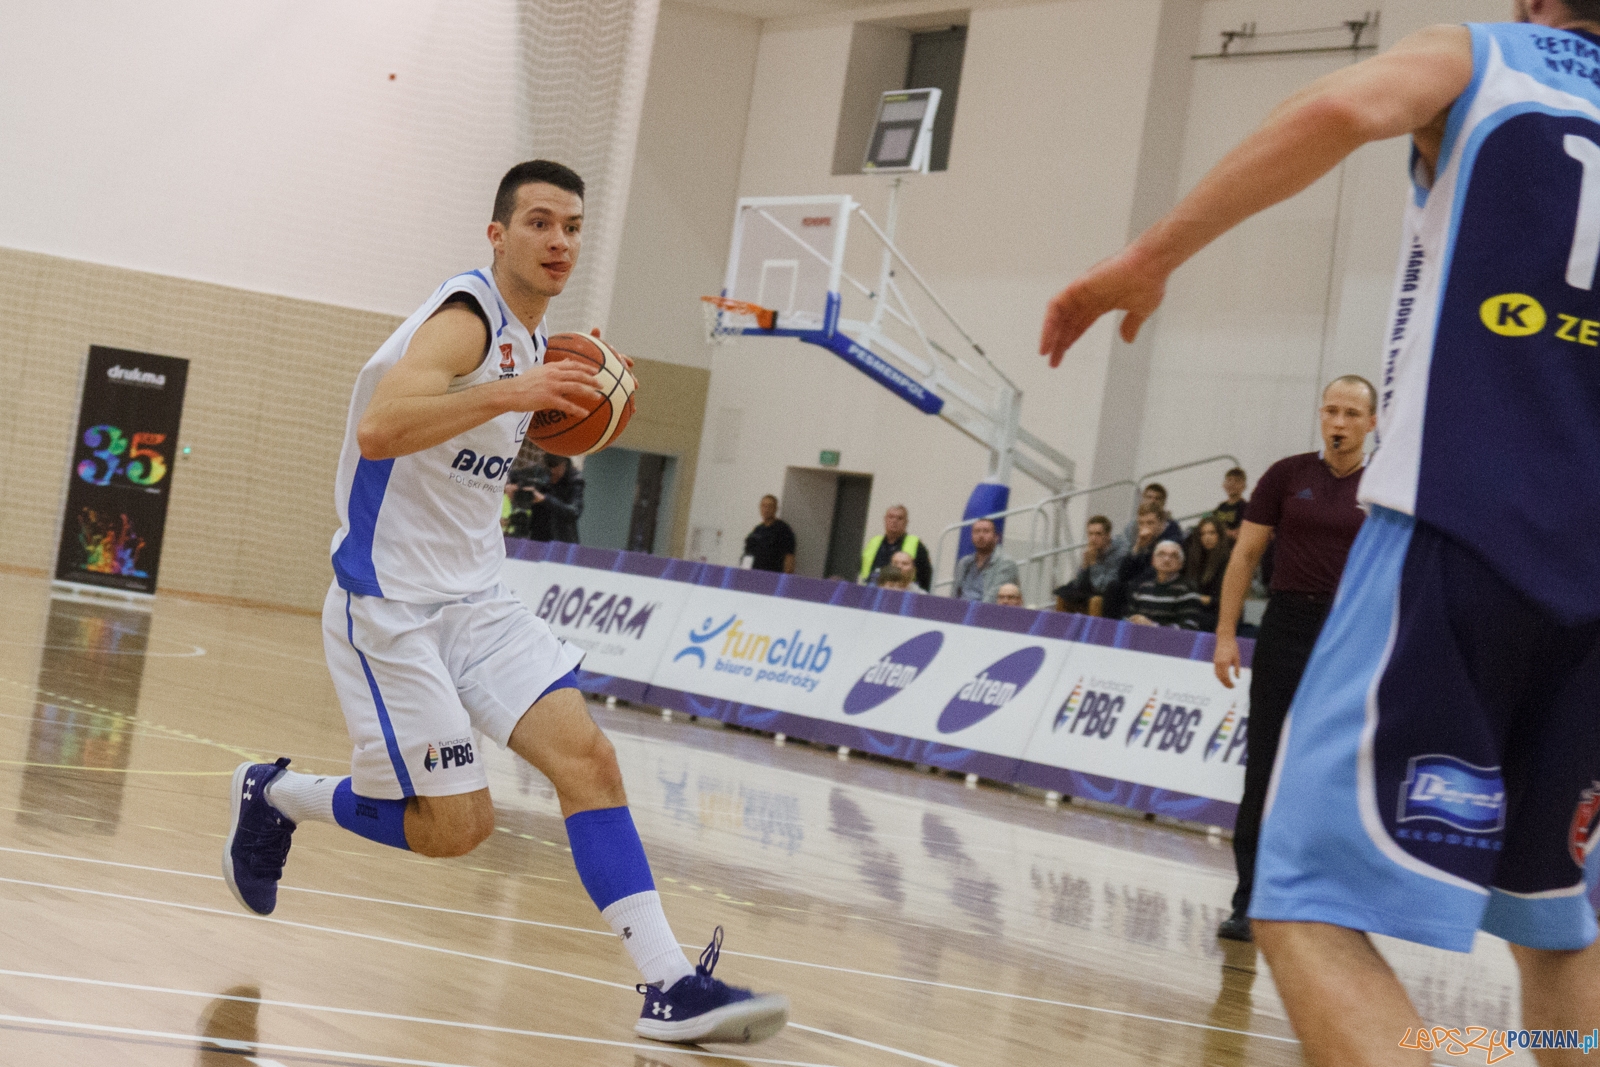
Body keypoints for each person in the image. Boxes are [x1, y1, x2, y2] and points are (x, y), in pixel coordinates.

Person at [1040, 6, 1600, 1061]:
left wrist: (1152, 255)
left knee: (1293, 893)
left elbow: (1342, 103)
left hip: (1456, 531)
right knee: (1557, 915)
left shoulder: (1485, 57)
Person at [221, 160, 787, 1045]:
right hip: (392, 606)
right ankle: (279, 794)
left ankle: (670, 983)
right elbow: (381, 427)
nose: (558, 240)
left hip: (478, 599)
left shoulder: (534, 334)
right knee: (457, 826)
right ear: (497, 235)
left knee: (590, 761)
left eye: (571, 226)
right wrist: (514, 391)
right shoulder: (465, 318)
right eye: (538, 223)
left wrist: (564, 386)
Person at [1210, 376, 1376, 943]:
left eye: (1352, 413)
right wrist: (1226, 633)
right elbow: (1246, 554)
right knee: (1263, 768)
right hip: (1285, 627)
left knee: (1336, 774)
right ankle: (1247, 901)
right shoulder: (1287, 475)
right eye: (1331, 410)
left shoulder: (1386, 484)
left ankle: (1324, 904)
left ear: (1371, 423)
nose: (1339, 422)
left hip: (1350, 636)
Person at [1105, 501, 1167, 618]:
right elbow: (1122, 575)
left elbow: (1154, 573)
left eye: (1150, 523)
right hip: (1137, 587)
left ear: (1161, 524)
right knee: (1113, 587)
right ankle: (1109, 631)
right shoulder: (1141, 543)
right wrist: (1137, 548)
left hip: (1158, 587)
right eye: (1141, 523)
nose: (1145, 527)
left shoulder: (1168, 543)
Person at [1053, 515, 1126, 613]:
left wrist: (1093, 564)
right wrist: (1084, 565)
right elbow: (1077, 584)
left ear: (1108, 535)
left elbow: (1103, 587)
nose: (1093, 538)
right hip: (1090, 591)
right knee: (1063, 595)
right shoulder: (1091, 552)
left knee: (1095, 601)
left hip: (1109, 597)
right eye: (1090, 534)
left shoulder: (1119, 554)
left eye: (1098, 534)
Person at [1125, 541, 1203, 629]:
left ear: (1181, 564)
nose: (1166, 559)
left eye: (1173, 556)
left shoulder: (1188, 590)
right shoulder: (1142, 587)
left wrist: (1154, 627)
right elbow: (1127, 618)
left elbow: (1190, 627)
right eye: (1161, 554)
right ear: (1153, 561)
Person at [860, 504, 932, 591]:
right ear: (885, 519)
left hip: (902, 594)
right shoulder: (874, 542)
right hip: (870, 591)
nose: (894, 521)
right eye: (891, 517)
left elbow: (925, 577)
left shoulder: (916, 545)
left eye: (899, 518)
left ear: (906, 522)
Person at [951, 517, 1020, 602]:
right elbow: (954, 594)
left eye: (986, 531)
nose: (981, 536)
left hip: (985, 612)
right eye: (977, 531)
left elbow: (993, 599)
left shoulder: (1006, 563)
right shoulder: (964, 562)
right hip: (960, 610)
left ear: (996, 537)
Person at [1183, 515, 1232, 632]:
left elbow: (1225, 601)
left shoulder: (1228, 561)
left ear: (1220, 535)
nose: (1207, 537)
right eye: (1203, 534)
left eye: (1211, 533)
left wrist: (1203, 599)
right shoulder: (1195, 558)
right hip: (1196, 608)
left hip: (1218, 614)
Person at [523, 452, 584, 543]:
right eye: (549, 466)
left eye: (556, 466)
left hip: (562, 541)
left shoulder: (575, 481)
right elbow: (515, 476)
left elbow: (574, 511)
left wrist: (545, 499)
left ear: (565, 464)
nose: (553, 471)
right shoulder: (541, 476)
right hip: (537, 539)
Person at [1114, 484, 1182, 554]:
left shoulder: (1172, 527)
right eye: (1149, 497)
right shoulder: (1132, 526)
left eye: (1157, 498)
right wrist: (1138, 546)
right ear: (1142, 499)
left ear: (1163, 502)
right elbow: (1124, 554)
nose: (1153, 501)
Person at [742, 494, 795, 573]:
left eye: (770, 506)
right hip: (753, 575)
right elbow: (748, 554)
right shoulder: (757, 530)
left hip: (772, 576)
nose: (766, 510)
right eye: (764, 506)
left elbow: (789, 557)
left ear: (776, 508)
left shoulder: (783, 530)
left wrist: (785, 578)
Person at [1212, 468, 1248, 540]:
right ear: (1224, 485)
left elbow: (1244, 530)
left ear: (1244, 486)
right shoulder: (1220, 507)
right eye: (1229, 480)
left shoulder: (1246, 508)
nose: (1232, 484)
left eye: (1237, 481)